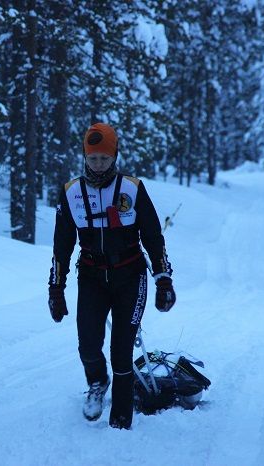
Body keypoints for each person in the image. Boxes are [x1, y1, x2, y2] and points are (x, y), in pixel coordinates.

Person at [47, 122, 175, 430]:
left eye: (105, 158)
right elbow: (61, 246)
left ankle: (120, 423)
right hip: (91, 275)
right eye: (93, 158)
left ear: (114, 155)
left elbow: (154, 236)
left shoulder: (132, 188)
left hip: (131, 275)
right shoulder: (71, 193)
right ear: (84, 157)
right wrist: (56, 289)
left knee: (121, 349)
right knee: (88, 345)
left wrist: (164, 279)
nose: (99, 164)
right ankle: (97, 382)